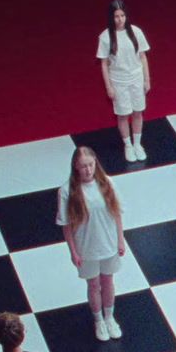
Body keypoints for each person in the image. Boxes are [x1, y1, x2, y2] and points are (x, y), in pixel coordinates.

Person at [56, 146, 126, 342]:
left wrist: (120, 239)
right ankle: (98, 320)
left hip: (109, 244)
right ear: (75, 168)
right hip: (86, 247)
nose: (88, 170)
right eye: (83, 166)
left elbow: (117, 213)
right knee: (93, 284)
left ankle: (110, 317)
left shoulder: (107, 183)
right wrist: (73, 251)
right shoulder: (66, 191)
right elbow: (66, 225)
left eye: (90, 165)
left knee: (108, 282)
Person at [96, 0, 151, 163]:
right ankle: (127, 144)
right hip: (118, 80)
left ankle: (137, 143)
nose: (120, 20)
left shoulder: (136, 32)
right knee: (122, 113)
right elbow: (104, 63)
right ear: (111, 18)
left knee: (137, 111)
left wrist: (147, 80)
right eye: (116, 16)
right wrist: (109, 86)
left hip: (136, 77)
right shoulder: (105, 37)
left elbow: (143, 56)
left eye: (122, 15)